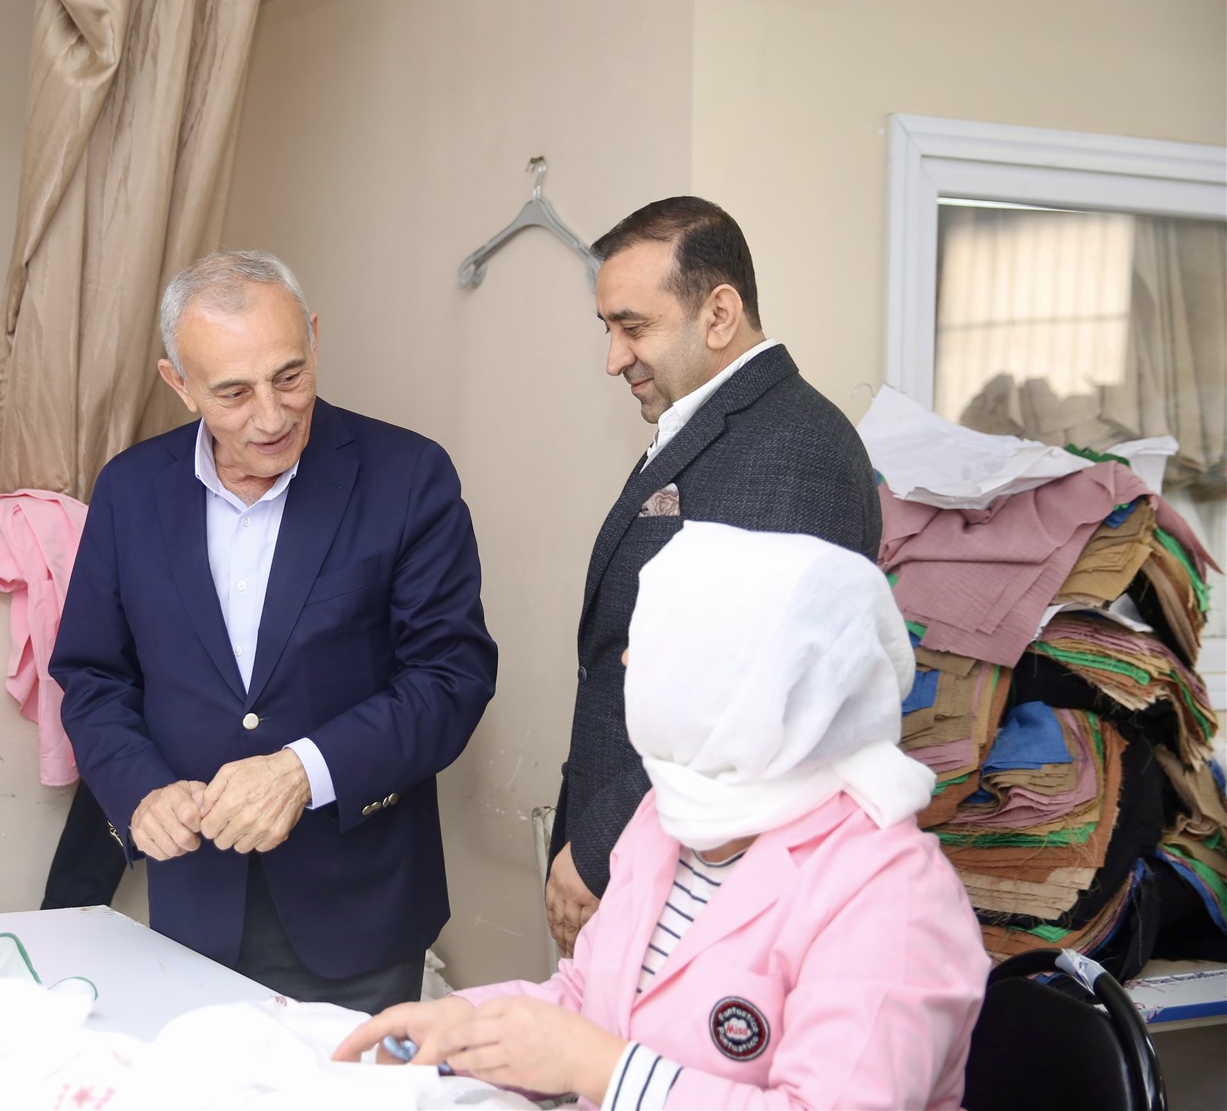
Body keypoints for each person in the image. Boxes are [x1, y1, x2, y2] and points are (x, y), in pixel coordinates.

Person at [338, 524, 988, 1110]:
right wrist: (463, 1027)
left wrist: (598, 1068)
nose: (627, 661)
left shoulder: (891, 895)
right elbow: (587, 1000)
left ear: (753, 683)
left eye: (659, 639)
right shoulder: (671, 815)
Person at [53, 251, 497, 1012]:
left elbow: (450, 679)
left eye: (290, 376)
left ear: (314, 338)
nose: (272, 416)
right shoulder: (130, 489)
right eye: (233, 392)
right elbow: (94, 676)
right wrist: (141, 790)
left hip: (358, 912)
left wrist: (302, 772)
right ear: (178, 383)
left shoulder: (407, 477)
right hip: (193, 905)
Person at [546, 197, 882, 953]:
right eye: (608, 330)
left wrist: (598, 850)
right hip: (648, 857)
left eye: (634, 328)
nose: (614, 358)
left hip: (692, 877)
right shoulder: (713, 427)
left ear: (720, 315)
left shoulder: (793, 453)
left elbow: (743, 705)